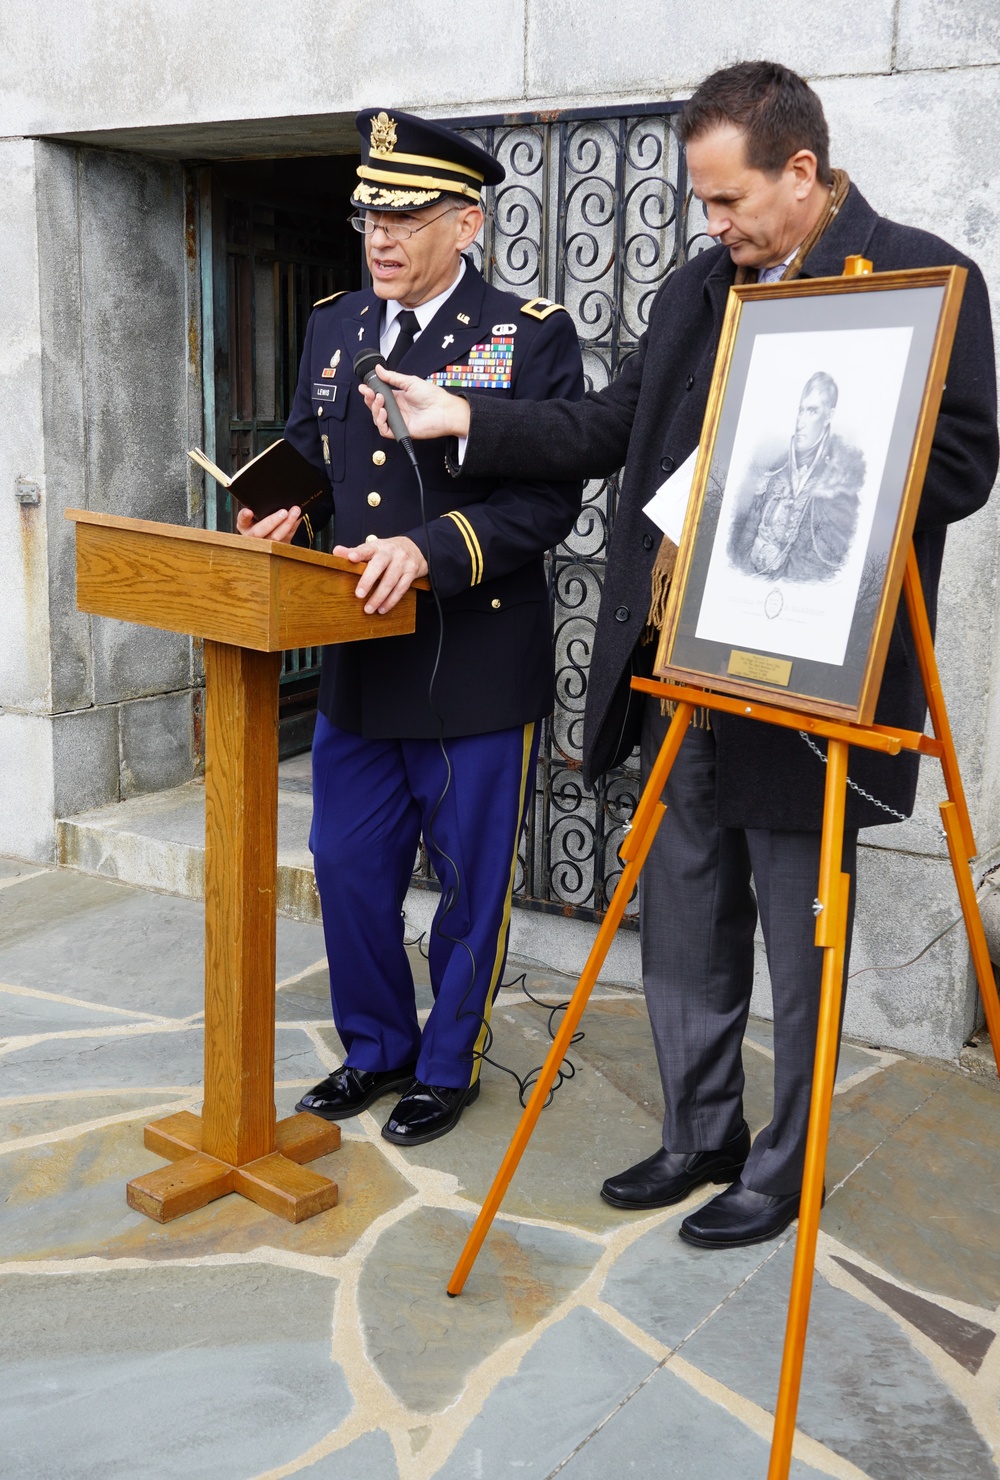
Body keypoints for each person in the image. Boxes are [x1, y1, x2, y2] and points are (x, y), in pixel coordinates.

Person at [360, 63, 998, 1240]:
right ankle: (698, 1134)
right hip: (681, 662)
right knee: (686, 915)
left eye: (728, 201)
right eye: (701, 205)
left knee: (801, 946)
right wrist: (469, 420)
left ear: (800, 173)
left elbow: (962, 464)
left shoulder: (919, 278)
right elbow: (613, 424)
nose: (712, 227)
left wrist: (799, 471)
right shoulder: (701, 286)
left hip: (812, 675)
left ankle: (783, 1161)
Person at [238, 108, 584, 1145]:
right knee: (346, 866)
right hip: (359, 659)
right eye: (366, 214)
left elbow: (546, 504)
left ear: (466, 224)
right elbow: (310, 443)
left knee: (471, 885)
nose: (379, 237)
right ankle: (378, 1046)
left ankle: (445, 1063)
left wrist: (429, 551)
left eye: (406, 215)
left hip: (475, 660)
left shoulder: (527, 332)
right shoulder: (335, 325)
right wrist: (281, 502)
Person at [730, 371, 865, 582]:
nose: (801, 421)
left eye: (812, 411)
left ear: (828, 416)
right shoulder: (774, 470)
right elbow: (744, 538)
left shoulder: (839, 487)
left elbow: (821, 569)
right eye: (800, 410)